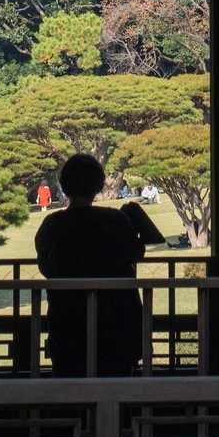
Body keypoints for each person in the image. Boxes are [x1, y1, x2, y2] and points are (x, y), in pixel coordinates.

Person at [33, 154, 142, 377]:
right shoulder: (115, 220)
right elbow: (134, 253)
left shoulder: (52, 224)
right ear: (98, 185)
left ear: (65, 186)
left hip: (67, 320)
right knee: (118, 389)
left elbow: (45, 267)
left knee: (69, 388)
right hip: (116, 320)